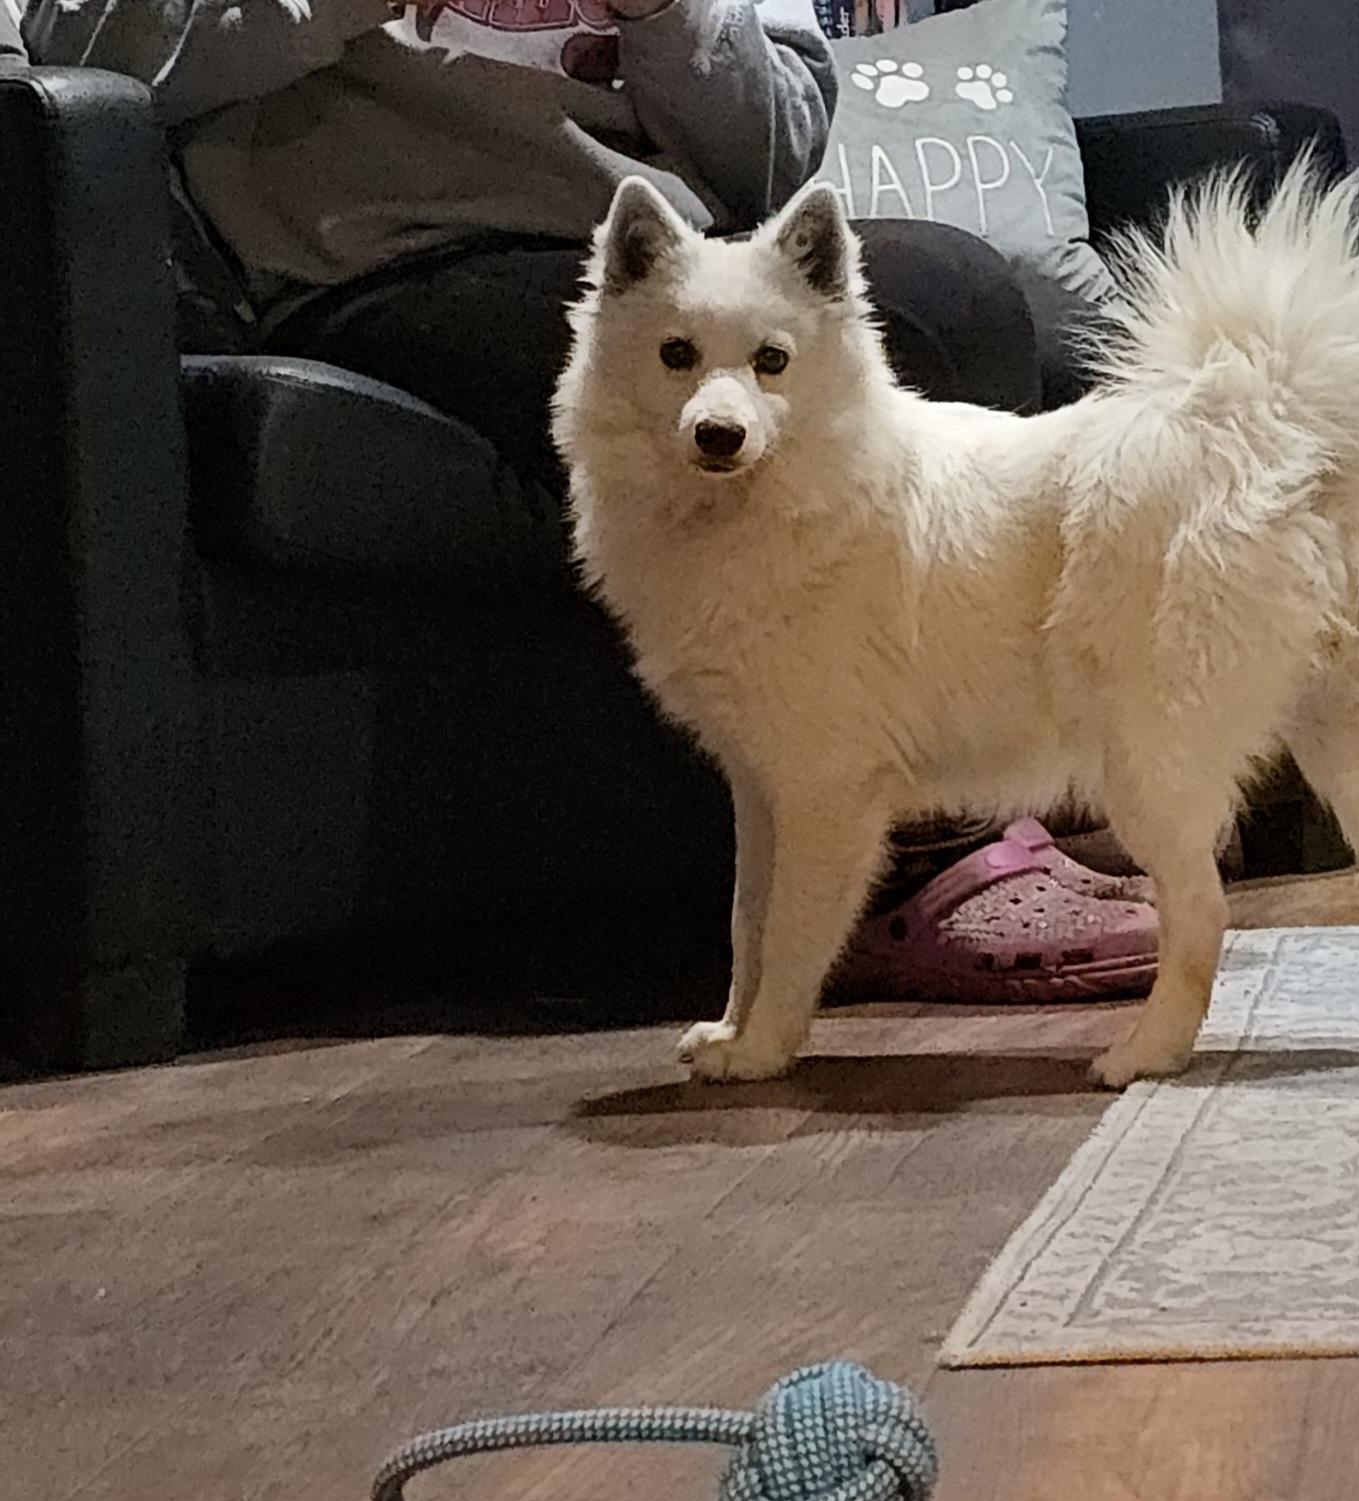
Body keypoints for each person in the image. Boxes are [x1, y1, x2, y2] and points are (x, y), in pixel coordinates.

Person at [22, 0, 1158, 999]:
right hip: (390, 261)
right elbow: (87, 42)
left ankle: (972, 764)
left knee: (953, 299)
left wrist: (664, 16)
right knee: (665, 382)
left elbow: (775, 150)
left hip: (671, 265)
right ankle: (912, 867)